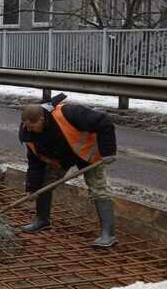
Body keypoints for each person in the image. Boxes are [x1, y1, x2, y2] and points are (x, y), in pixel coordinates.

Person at [19, 94, 118, 247]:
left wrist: (109, 151)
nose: (30, 130)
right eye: (27, 127)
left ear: (41, 119)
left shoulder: (69, 112)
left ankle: (108, 235)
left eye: (32, 127)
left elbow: (104, 121)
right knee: (44, 185)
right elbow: (35, 163)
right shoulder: (28, 132)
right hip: (62, 157)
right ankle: (42, 220)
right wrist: (32, 188)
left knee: (99, 189)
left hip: (87, 154)